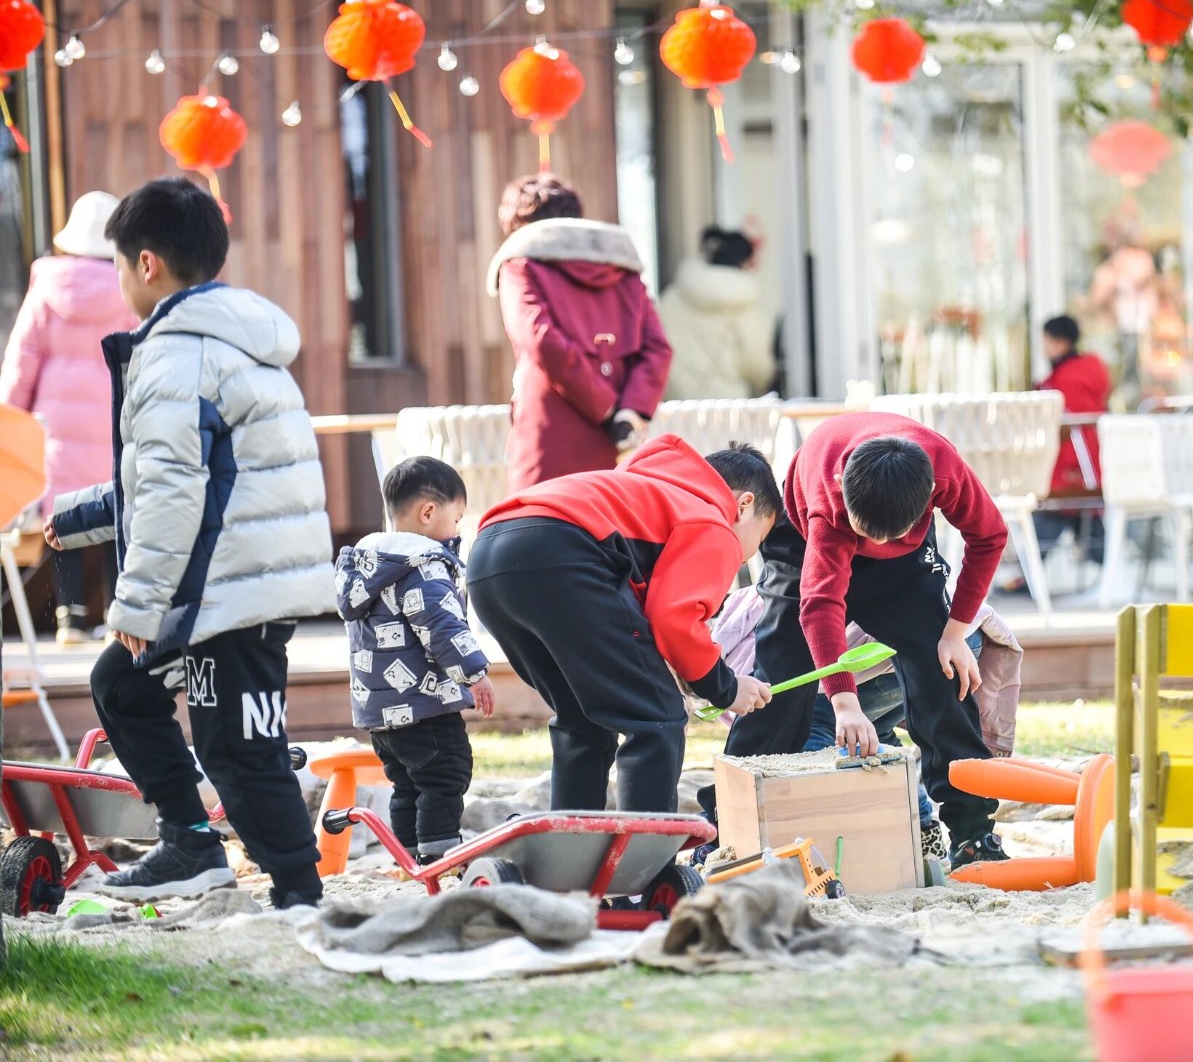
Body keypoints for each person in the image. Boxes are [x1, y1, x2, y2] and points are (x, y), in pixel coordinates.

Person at [46, 178, 331, 906]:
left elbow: (177, 493)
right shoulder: (233, 342)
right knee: (120, 684)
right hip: (223, 578)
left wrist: (137, 606)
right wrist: (74, 519)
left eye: (114, 266)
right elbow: (174, 481)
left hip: (230, 589)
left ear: (147, 265)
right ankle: (190, 843)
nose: (116, 282)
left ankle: (300, 896)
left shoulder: (179, 355)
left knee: (239, 749)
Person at [699, 413, 1011, 869]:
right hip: (807, 535)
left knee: (939, 669)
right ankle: (728, 828)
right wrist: (845, 703)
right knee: (783, 676)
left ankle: (973, 832)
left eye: (887, 536)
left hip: (901, 553)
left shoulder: (944, 470)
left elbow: (990, 535)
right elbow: (821, 606)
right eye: (870, 535)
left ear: (929, 495)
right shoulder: (829, 509)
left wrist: (955, 631)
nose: (875, 543)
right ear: (844, 484)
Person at [468, 438, 778, 813]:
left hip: (488, 558)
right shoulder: (712, 517)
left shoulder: (651, 490)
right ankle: (644, 861)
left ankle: (575, 852)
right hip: (561, 552)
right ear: (743, 506)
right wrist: (725, 687)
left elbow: (643, 618)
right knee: (656, 719)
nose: (747, 554)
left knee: (583, 720)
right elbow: (675, 617)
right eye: (758, 538)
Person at [336, 457, 497, 864]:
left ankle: (406, 854)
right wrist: (475, 673)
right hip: (424, 705)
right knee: (447, 774)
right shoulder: (422, 566)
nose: (457, 530)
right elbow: (442, 628)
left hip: (379, 712)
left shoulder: (367, 565)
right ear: (429, 512)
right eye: (457, 519)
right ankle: (439, 853)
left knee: (408, 785)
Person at [0, 191, 137, 643]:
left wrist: (11, 412)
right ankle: (119, 613)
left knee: (65, 514)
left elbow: (22, 359)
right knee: (119, 510)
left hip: (55, 424)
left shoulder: (48, 287)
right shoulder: (129, 285)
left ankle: (70, 619)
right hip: (113, 419)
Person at [486, 174, 672, 490]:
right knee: (610, 530)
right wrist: (628, 411)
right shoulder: (622, 270)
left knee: (539, 528)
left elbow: (540, 339)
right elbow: (658, 349)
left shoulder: (519, 265)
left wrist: (606, 405)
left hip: (548, 435)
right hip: (618, 440)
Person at [658, 226, 776, 401]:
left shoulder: (671, 298)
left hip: (678, 409)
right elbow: (757, 366)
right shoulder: (743, 305)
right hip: (729, 408)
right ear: (744, 262)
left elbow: (656, 352)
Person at [1035, 314, 1110, 565]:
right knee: (1089, 526)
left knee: (1049, 521)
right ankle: (1113, 571)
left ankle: (1025, 577)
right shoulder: (1090, 373)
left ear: (1058, 342)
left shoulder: (1063, 383)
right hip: (1091, 467)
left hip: (1070, 469)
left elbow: (1066, 430)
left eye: (1045, 340)